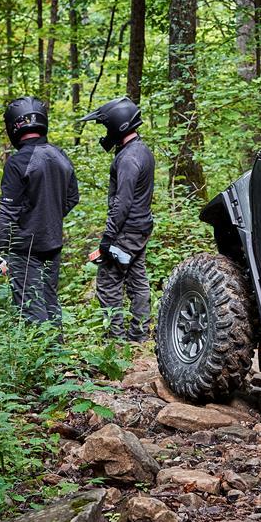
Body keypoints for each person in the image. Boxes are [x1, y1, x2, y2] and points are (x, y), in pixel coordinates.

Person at [0, 96, 79, 327]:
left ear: (13, 126)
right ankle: (56, 349)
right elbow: (72, 198)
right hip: (53, 243)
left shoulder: (18, 162)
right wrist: (49, 218)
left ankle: (44, 350)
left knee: (32, 309)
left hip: (24, 249)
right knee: (49, 302)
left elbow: (7, 213)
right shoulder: (60, 156)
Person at [79, 96, 155, 341]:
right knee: (137, 279)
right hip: (139, 228)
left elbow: (122, 202)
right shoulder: (141, 150)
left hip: (126, 231)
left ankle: (117, 339)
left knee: (108, 282)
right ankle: (139, 336)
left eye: (106, 126)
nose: (105, 132)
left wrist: (108, 238)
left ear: (117, 124)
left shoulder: (129, 158)